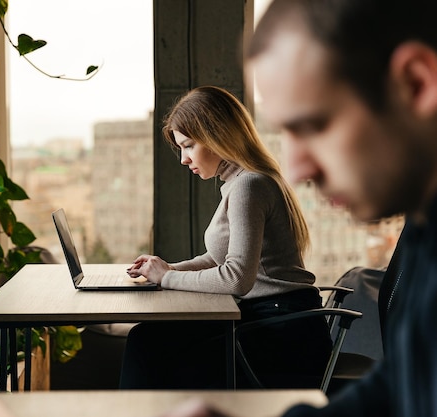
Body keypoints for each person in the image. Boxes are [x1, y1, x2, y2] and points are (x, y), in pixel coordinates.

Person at [163, 0, 437, 415]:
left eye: (314, 125)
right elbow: (398, 386)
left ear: (416, 84)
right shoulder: (423, 233)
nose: (296, 167)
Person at [120, 85, 332, 390]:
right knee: (149, 340)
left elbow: (236, 279)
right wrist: (169, 269)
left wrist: (166, 278)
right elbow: (220, 260)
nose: (183, 158)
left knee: (151, 347)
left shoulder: (249, 186)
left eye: (189, 145)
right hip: (269, 319)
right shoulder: (240, 182)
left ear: (218, 136)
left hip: (283, 333)